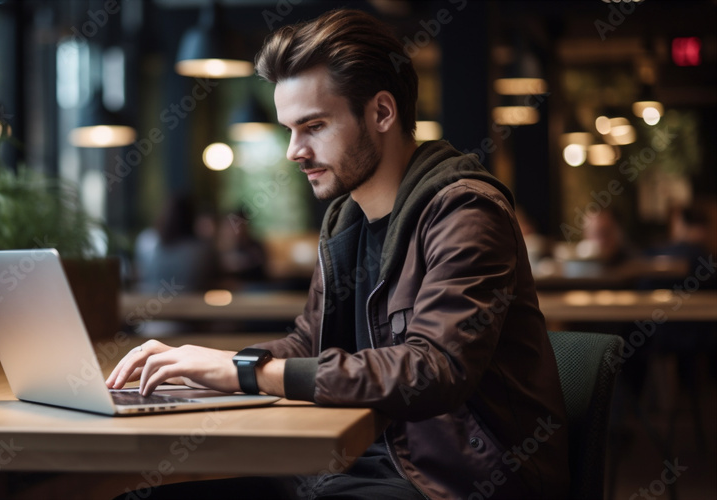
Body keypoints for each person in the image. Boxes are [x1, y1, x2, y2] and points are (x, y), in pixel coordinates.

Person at [108, 9, 569, 499]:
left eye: (314, 126)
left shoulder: (465, 211)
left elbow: (434, 370)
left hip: (454, 479)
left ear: (382, 113)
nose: (294, 151)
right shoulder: (345, 220)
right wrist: (209, 365)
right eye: (290, 129)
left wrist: (247, 373)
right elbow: (310, 344)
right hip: (354, 462)